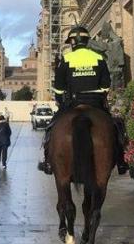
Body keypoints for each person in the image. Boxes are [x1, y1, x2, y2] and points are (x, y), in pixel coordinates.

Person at [37, 25, 128, 175]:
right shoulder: (98, 58)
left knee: (51, 128)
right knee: (117, 127)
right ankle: (121, 161)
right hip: (96, 103)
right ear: (86, 41)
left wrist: (61, 101)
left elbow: (58, 88)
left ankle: (48, 161)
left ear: (72, 42)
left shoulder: (66, 59)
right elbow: (106, 85)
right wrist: (100, 95)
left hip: (72, 103)